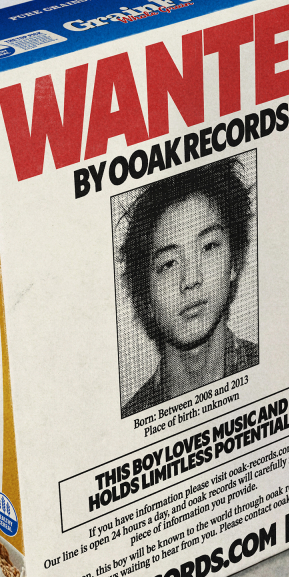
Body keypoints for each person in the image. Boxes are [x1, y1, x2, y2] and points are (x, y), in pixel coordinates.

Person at [119, 157, 258, 418]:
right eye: (169, 263)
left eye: (209, 247)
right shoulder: (131, 420)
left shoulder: (276, 370)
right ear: (146, 297)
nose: (191, 279)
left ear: (233, 261)